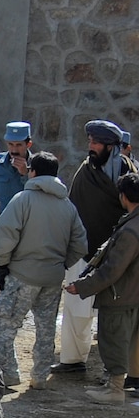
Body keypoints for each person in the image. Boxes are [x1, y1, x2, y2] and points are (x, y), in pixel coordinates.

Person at [0, 151, 89, 386]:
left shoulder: (23, 200)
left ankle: (10, 374)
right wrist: (61, 264)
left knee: (4, 322)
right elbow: (80, 244)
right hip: (53, 277)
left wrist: (2, 264)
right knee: (46, 329)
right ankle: (40, 376)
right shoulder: (67, 206)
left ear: (32, 172)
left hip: (22, 275)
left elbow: (5, 235)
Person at [70, 172, 139, 403]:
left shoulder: (130, 231)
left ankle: (115, 389)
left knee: (114, 340)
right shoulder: (132, 223)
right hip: (132, 293)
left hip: (121, 295)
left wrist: (81, 287)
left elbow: (112, 270)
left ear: (123, 196)